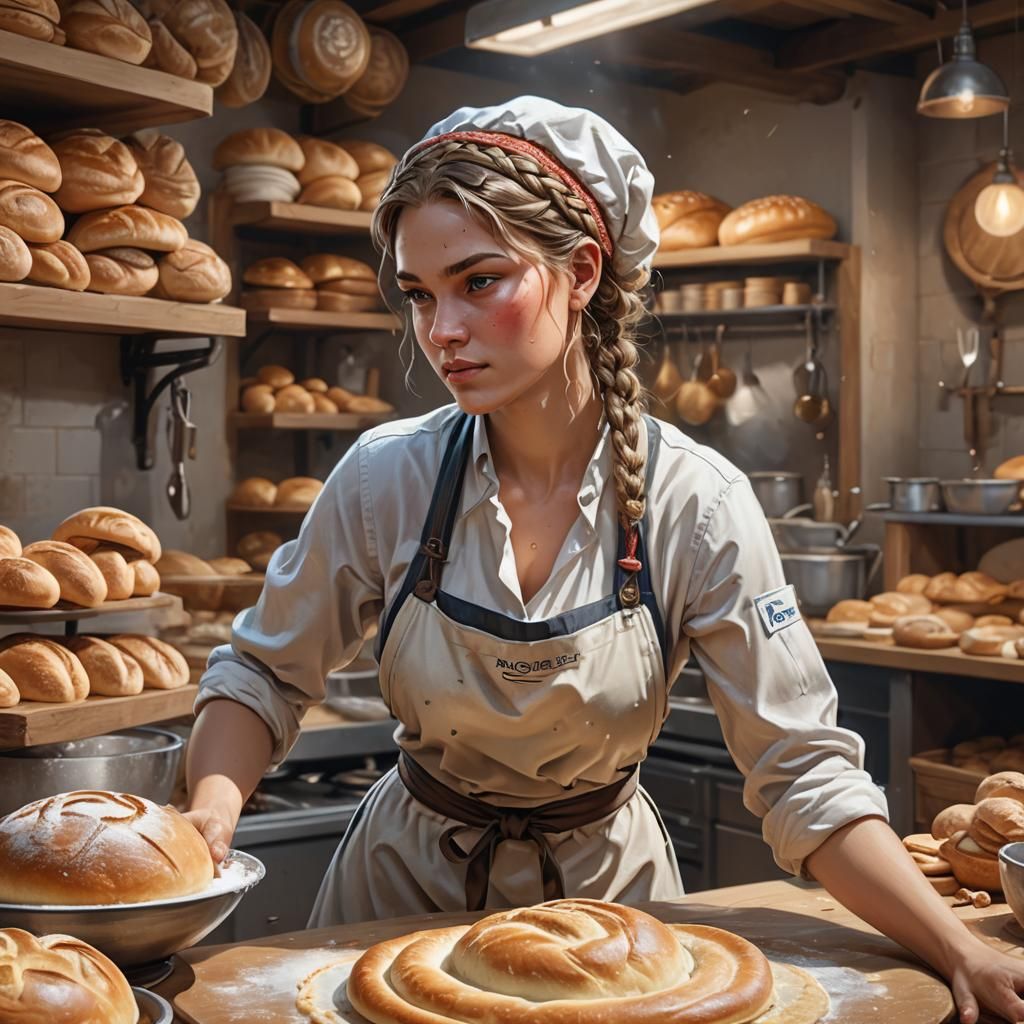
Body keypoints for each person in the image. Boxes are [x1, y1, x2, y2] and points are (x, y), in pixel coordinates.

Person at [187, 96, 1024, 1022]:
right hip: (395, 900)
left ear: (582, 271)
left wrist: (957, 949)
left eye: (478, 281)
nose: (441, 330)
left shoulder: (697, 503)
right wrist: (209, 816)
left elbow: (804, 774)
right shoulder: (387, 478)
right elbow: (262, 674)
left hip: (614, 923)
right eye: (419, 294)